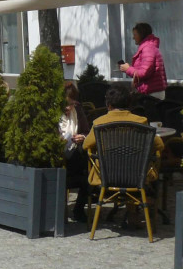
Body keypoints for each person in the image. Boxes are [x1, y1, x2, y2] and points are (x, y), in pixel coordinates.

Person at [83, 85, 164, 223]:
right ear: (129, 104)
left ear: (108, 105)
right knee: (139, 161)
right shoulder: (141, 121)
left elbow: (86, 145)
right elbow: (160, 145)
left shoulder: (99, 122)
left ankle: (131, 213)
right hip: (136, 177)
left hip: (106, 177)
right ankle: (139, 210)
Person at [61, 82, 92, 222]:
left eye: (72, 104)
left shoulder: (78, 110)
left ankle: (79, 209)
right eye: (67, 104)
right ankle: (61, 210)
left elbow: (86, 131)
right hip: (58, 155)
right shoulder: (53, 113)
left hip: (75, 152)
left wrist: (82, 137)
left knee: (89, 170)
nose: (69, 107)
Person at [119, 22, 167, 99]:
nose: (133, 37)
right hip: (151, 91)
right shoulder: (149, 47)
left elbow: (144, 72)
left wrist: (128, 69)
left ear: (141, 35)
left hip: (151, 94)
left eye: (135, 35)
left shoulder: (148, 48)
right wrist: (127, 69)